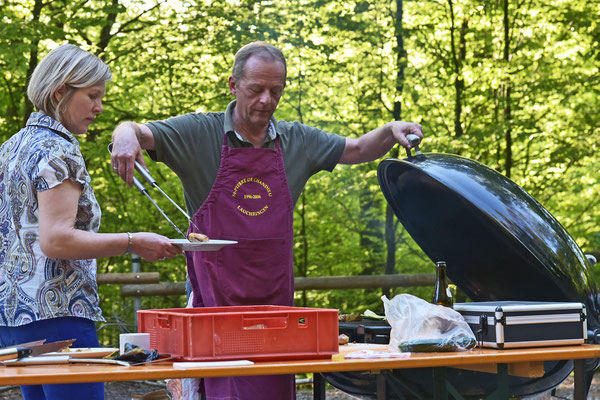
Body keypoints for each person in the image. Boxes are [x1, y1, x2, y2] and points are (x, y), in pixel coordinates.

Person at [110, 41, 423, 400]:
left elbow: (355, 149)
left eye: (276, 91)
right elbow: (137, 131)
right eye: (256, 89)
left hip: (276, 308)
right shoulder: (199, 133)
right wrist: (123, 135)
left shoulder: (297, 141)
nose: (266, 100)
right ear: (233, 85)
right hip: (215, 307)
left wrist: (390, 130)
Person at [0, 44, 181, 400]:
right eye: (92, 96)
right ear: (60, 92)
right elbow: (57, 241)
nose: (99, 107)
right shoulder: (58, 150)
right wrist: (134, 241)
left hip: (12, 317)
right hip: (59, 316)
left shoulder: (11, 147)